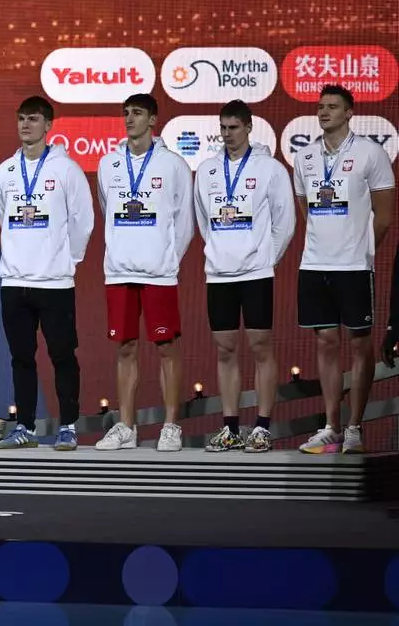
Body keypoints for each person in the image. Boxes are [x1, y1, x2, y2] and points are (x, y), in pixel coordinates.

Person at [293, 85, 394, 454]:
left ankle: (355, 426)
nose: (324, 112)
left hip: (354, 265)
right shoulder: (304, 157)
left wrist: (360, 251)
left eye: (333, 107)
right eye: (320, 107)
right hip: (314, 264)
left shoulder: (371, 153)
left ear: (350, 113)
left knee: (359, 344)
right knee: (325, 343)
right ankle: (331, 425)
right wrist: (325, 242)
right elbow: (307, 210)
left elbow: (383, 217)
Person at [0, 96, 93, 450]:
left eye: (33, 119)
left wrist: (68, 261)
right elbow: (5, 214)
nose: (25, 125)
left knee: (62, 355)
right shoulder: (5, 171)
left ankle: (67, 426)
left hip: (55, 282)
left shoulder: (66, 170)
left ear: (48, 125)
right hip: (14, 281)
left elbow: (84, 220)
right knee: (21, 357)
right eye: (21, 119)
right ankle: (25, 427)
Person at [194, 100, 295, 453]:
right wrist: (221, 252)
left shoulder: (270, 169)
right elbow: (203, 221)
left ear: (249, 127)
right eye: (223, 128)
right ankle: (230, 426)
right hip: (218, 273)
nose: (227, 134)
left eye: (234, 127)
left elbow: (285, 222)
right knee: (225, 350)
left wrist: (265, 258)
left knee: (260, 347)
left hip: (256, 272)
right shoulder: (207, 170)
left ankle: (263, 426)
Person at [94, 93, 193, 451]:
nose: (129, 119)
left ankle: (170, 425)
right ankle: (126, 426)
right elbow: (109, 211)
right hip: (119, 270)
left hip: (159, 272)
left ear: (153, 120)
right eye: (126, 113)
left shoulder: (173, 165)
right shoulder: (108, 164)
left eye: (137, 113)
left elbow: (185, 223)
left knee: (167, 348)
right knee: (125, 348)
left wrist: (166, 259)